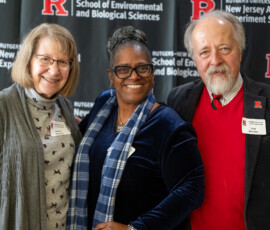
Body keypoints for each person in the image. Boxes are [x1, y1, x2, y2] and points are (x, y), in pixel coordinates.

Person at [67, 26, 204, 230]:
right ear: (111, 76)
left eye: (142, 68)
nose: (134, 76)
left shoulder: (170, 126)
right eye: (123, 69)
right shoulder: (103, 106)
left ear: (152, 73)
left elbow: (192, 190)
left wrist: (135, 228)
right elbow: (82, 137)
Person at [167, 9, 270, 230]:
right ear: (194, 59)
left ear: (240, 51)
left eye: (224, 49)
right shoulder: (179, 101)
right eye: (204, 52)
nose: (215, 60)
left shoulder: (268, 102)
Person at [0, 23, 82, 230]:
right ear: (28, 60)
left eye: (63, 62)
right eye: (45, 59)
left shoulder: (64, 109)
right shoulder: (4, 108)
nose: (54, 70)